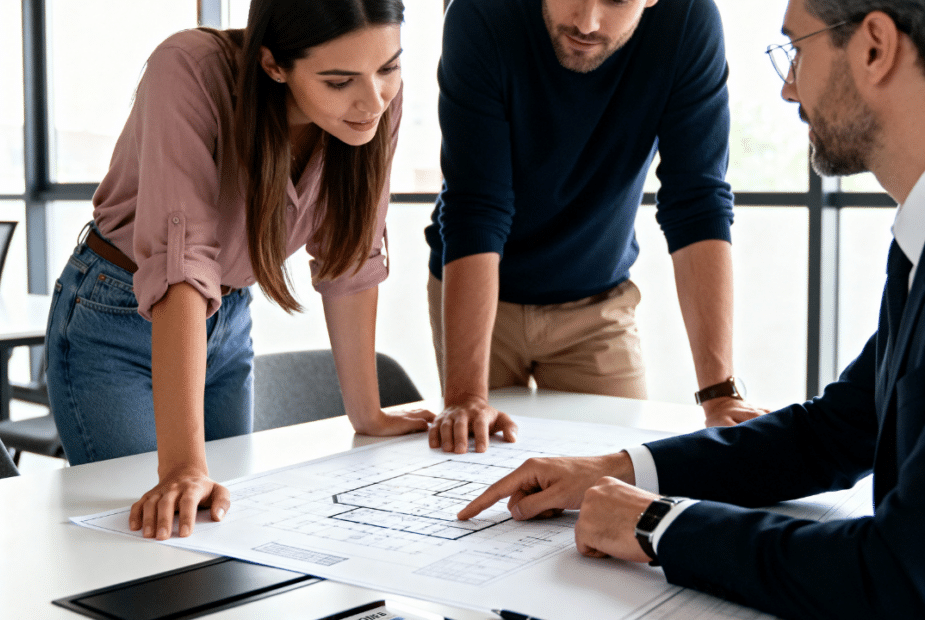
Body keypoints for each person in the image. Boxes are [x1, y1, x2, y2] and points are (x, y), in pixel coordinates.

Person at [459, 0, 925, 616]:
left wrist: (658, 525)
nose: (787, 88)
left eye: (797, 50)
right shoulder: (915, 238)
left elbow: (896, 573)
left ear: (874, 47)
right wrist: (620, 468)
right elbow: (836, 430)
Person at [45, 0, 435, 541]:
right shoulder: (188, 69)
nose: (373, 101)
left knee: (224, 530)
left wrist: (367, 414)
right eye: (340, 80)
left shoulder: (372, 104)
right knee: (155, 539)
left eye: (389, 68)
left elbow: (350, 258)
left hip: (228, 315)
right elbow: (183, 264)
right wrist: (182, 467)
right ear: (274, 64)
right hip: (119, 316)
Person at [425, 0, 767, 455]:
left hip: (598, 311)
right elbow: (476, 207)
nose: (587, 22)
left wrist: (719, 394)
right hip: (480, 296)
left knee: (617, 480)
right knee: (472, 468)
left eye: (616, 0)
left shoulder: (688, 20)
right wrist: (466, 396)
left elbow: (697, 201)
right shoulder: (479, 12)